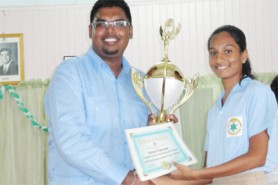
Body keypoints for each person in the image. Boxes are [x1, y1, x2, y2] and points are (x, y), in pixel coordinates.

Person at [44, 0, 159, 184]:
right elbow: (72, 141)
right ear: (90, 31)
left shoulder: (142, 81)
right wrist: (128, 179)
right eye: (101, 24)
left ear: (130, 31)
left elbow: (147, 140)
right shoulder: (68, 74)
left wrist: (159, 127)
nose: (110, 31)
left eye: (119, 24)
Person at [170, 25, 278, 184]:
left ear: (243, 55)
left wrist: (195, 174)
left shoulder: (257, 93)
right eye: (213, 53)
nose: (219, 59)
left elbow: (257, 157)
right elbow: (209, 173)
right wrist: (166, 181)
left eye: (227, 51)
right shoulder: (214, 110)